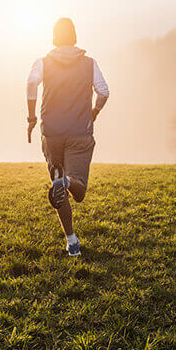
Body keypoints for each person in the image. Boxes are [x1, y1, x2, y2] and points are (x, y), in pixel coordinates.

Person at [26, 17, 109, 257]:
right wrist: (94, 111)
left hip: (51, 133)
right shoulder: (89, 64)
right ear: (75, 37)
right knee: (79, 191)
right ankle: (66, 181)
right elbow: (103, 91)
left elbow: (31, 82)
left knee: (57, 182)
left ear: (54, 38)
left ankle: (72, 241)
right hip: (79, 133)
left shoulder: (43, 63)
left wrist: (31, 118)